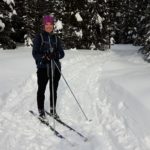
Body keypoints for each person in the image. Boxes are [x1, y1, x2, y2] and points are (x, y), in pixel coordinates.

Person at [32, 15, 65, 119]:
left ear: (53, 25)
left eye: (51, 24)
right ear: (44, 25)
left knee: (53, 89)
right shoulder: (39, 37)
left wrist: (55, 55)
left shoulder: (56, 38)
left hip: (55, 68)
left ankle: (52, 109)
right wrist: (44, 57)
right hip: (43, 68)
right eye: (47, 24)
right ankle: (41, 110)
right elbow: (35, 53)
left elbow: (62, 53)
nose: (49, 26)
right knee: (41, 89)